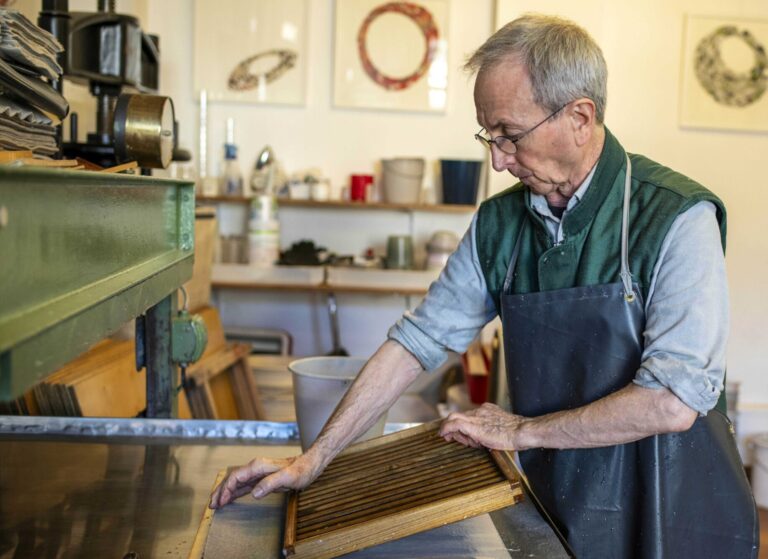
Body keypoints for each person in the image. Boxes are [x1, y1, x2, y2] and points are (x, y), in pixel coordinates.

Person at [209, 14, 759, 558]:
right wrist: (314, 460)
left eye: (510, 136)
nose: (497, 161)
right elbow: (417, 342)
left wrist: (521, 431)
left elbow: (671, 401)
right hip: (558, 508)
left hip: (677, 514)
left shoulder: (677, 217)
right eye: (487, 136)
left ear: (580, 117)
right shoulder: (500, 225)